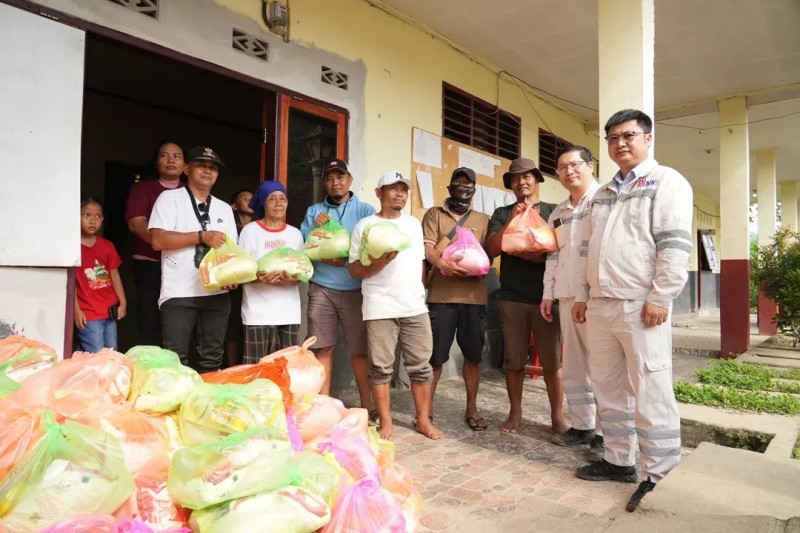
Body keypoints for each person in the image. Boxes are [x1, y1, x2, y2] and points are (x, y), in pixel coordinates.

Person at [571, 109, 693, 512]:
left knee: (651, 390)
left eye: (629, 135)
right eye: (613, 138)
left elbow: (674, 245)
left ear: (648, 138)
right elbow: (587, 249)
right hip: (601, 304)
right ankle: (618, 460)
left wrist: (661, 297)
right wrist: (584, 295)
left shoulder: (666, 181)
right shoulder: (602, 193)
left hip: (642, 306)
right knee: (608, 387)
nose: (620, 143)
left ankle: (661, 474)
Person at [349, 171, 443, 441]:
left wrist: (421, 291)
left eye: (403, 189)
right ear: (379, 193)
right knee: (380, 368)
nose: (400, 193)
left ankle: (423, 420)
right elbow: (354, 269)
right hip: (379, 307)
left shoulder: (413, 224)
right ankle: (386, 422)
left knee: (421, 367)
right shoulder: (365, 226)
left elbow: (421, 263)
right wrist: (379, 263)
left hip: (415, 307)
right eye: (393, 188)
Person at [487, 158, 566, 435]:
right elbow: (492, 250)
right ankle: (515, 413)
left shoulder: (553, 211)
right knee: (514, 360)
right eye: (516, 177)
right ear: (510, 184)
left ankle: (557, 417)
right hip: (512, 297)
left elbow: (559, 248)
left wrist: (533, 256)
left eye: (527, 176)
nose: (522, 181)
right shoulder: (501, 213)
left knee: (552, 362)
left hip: (547, 298)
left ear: (536, 180)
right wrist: (512, 220)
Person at [149, 146, 238, 372]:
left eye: (212, 168)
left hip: (216, 292)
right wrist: (200, 236)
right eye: (201, 166)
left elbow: (230, 251)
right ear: (187, 169)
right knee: (175, 360)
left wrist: (232, 276)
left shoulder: (224, 208)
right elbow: (157, 240)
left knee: (212, 359)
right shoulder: (169, 199)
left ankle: (207, 395)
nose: (207, 171)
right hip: (179, 291)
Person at [541, 145, 603, 460]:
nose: (569, 171)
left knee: (603, 367)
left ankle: (606, 433)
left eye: (575, 164)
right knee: (575, 366)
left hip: (597, 299)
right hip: (566, 298)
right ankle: (582, 426)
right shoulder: (558, 213)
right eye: (562, 167)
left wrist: (584, 295)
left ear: (591, 166)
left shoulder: (604, 201)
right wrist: (547, 293)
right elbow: (553, 255)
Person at [300, 159, 376, 411]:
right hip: (321, 288)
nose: (336, 182)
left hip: (355, 289)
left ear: (350, 180)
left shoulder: (365, 210)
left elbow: (372, 245)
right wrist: (314, 228)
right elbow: (303, 245)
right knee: (323, 348)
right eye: (330, 178)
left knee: (359, 351)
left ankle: (367, 405)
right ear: (324, 183)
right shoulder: (314, 212)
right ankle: (324, 407)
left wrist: (346, 260)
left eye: (340, 177)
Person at [421, 166, 490, 431]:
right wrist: (443, 264)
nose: (463, 188)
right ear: (450, 188)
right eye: (458, 183)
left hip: (474, 298)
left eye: (468, 184)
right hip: (441, 296)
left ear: (474, 190)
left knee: (473, 357)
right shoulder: (434, 214)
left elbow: (488, 255)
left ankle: (472, 407)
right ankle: (426, 411)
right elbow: (427, 248)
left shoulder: (483, 219)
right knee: (435, 357)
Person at [125, 141, 184, 346]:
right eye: (164, 155)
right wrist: (164, 242)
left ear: (186, 166)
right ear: (156, 162)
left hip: (182, 264)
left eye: (177, 156)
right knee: (149, 315)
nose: (171, 160)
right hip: (148, 262)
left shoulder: (191, 192)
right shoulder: (143, 189)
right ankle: (149, 358)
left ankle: (175, 359)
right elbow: (136, 224)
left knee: (179, 315)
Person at [238, 181, 304, 362]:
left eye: (282, 199)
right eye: (272, 199)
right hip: (257, 313)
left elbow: (301, 270)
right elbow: (239, 270)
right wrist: (259, 278)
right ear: (263, 203)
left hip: (289, 313)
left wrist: (291, 279)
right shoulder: (250, 232)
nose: (278, 203)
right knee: (256, 368)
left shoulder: (295, 234)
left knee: (287, 367)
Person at [75, 198, 127, 352]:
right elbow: (70, 284)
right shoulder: (73, 249)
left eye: (98, 216)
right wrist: (76, 310)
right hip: (88, 313)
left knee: (112, 351)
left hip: (109, 311)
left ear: (103, 219)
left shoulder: (107, 246)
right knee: (96, 352)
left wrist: (123, 302)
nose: (93, 221)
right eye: (87, 215)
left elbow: (115, 276)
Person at [224, 188, 254, 367]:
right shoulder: (229, 230)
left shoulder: (259, 229)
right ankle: (232, 367)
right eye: (245, 198)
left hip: (256, 283)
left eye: (253, 198)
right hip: (234, 283)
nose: (250, 201)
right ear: (234, 206)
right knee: (233, 324)